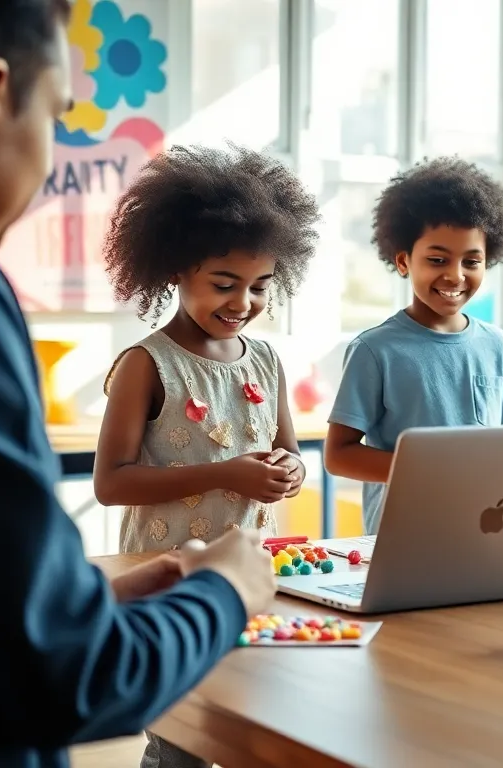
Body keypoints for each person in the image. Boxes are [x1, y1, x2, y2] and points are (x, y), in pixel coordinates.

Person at [0, 3, 276, 766]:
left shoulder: (263, 358)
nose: (47, 162)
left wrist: (87, 603)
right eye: (53, 115)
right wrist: (224, 592)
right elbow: (63, 679)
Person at [92, 144, 320, 767]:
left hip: (248, 576)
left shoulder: (267, 359)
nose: (241, 302)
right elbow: (110, 483)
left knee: (245, 718)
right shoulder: (147, 364)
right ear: (175, 270)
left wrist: (290, 470)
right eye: (224, 284)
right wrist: (226, 473)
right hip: (170, 580)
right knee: (183, 737)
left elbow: (289, 456)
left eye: (259, 288)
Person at [324, 156, 503, 534]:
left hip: (483, 529)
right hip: (404, 532)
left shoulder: (500, 347)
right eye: (437, 259)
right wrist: (426, 472)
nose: (455, 275)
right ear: (404, 261)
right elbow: (339, 456)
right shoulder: (375, 351)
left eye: (472, 261)